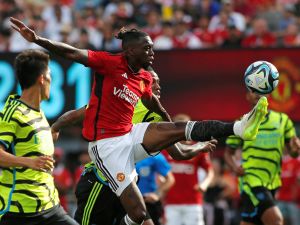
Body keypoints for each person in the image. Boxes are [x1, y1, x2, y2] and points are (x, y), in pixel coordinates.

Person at [11, 17, 268, 225]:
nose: (152, 52)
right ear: (131, 50)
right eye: (147, 48)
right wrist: (39, 40)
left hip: (129, 136)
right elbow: (73, 55)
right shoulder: (110, 64)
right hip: (106, 148)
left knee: (180, 131)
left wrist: (176, 131)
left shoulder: (143, 78)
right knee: (138, 215)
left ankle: (238, 127)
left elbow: (161, 117)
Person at [52, 68, 208, 225]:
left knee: (144, 220)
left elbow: (178, 152)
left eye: (159, 82)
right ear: (142, 85)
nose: (159, 86)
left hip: (126, 184)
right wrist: (55, 128)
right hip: (100, 181)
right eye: (154, 82)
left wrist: (199, 147)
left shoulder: (157, 118)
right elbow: (77, 114)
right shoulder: (117, 102)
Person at [0, 49, 79, 225]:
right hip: (18, 211)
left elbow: (30, 146)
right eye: (50, 75)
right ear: (42, 78)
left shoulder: (40, 113)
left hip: (49, 206)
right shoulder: (12, 112)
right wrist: (30, 162)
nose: (53, 80)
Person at [224, 90, 300, 225]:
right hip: (251, 180)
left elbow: (292, 152)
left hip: (272, 182)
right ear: (247, 96)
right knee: (276, 220)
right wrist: (235, 167)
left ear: (268, 95)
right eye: (253, 91)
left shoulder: (283, 120)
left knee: (252, 221)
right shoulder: (242, 123)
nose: (258, 94)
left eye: (262, 91)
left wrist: (296, 150)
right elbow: (228, 153)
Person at [163, 113, 215, 225]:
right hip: (171, 203)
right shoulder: (166, 149)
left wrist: (204, 184)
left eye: (185, 126)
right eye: (178, 126)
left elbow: (210, 171)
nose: (181, 130)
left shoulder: (198, 147)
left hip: (193, 203)